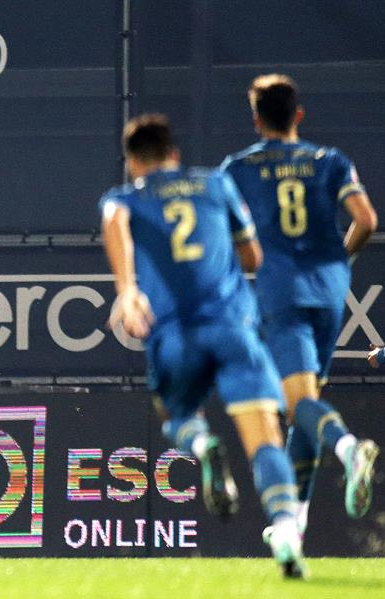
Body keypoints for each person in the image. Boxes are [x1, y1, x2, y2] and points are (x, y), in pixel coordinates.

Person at [102, 114, 306, 577]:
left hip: (176, 335)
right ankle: (287, 532)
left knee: (175, 414)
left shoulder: (124, 198)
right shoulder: (216, 184)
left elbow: (115, 221)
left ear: (133, 162)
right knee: (266, 440)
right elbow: (253, 256)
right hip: (234, 328)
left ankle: (202, 443)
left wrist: (127, 287)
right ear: (174, 154)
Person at [221, 74, 379, 537]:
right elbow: (366, 220)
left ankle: (349, 448)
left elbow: (224, 236)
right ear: (299, 115)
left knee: (298, 403)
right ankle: (295, 523)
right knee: (302, 406)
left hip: (282, 290)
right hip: (330, 289)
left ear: (255, 120)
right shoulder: (329, 160)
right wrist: (339, 258)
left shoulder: (240, 167)